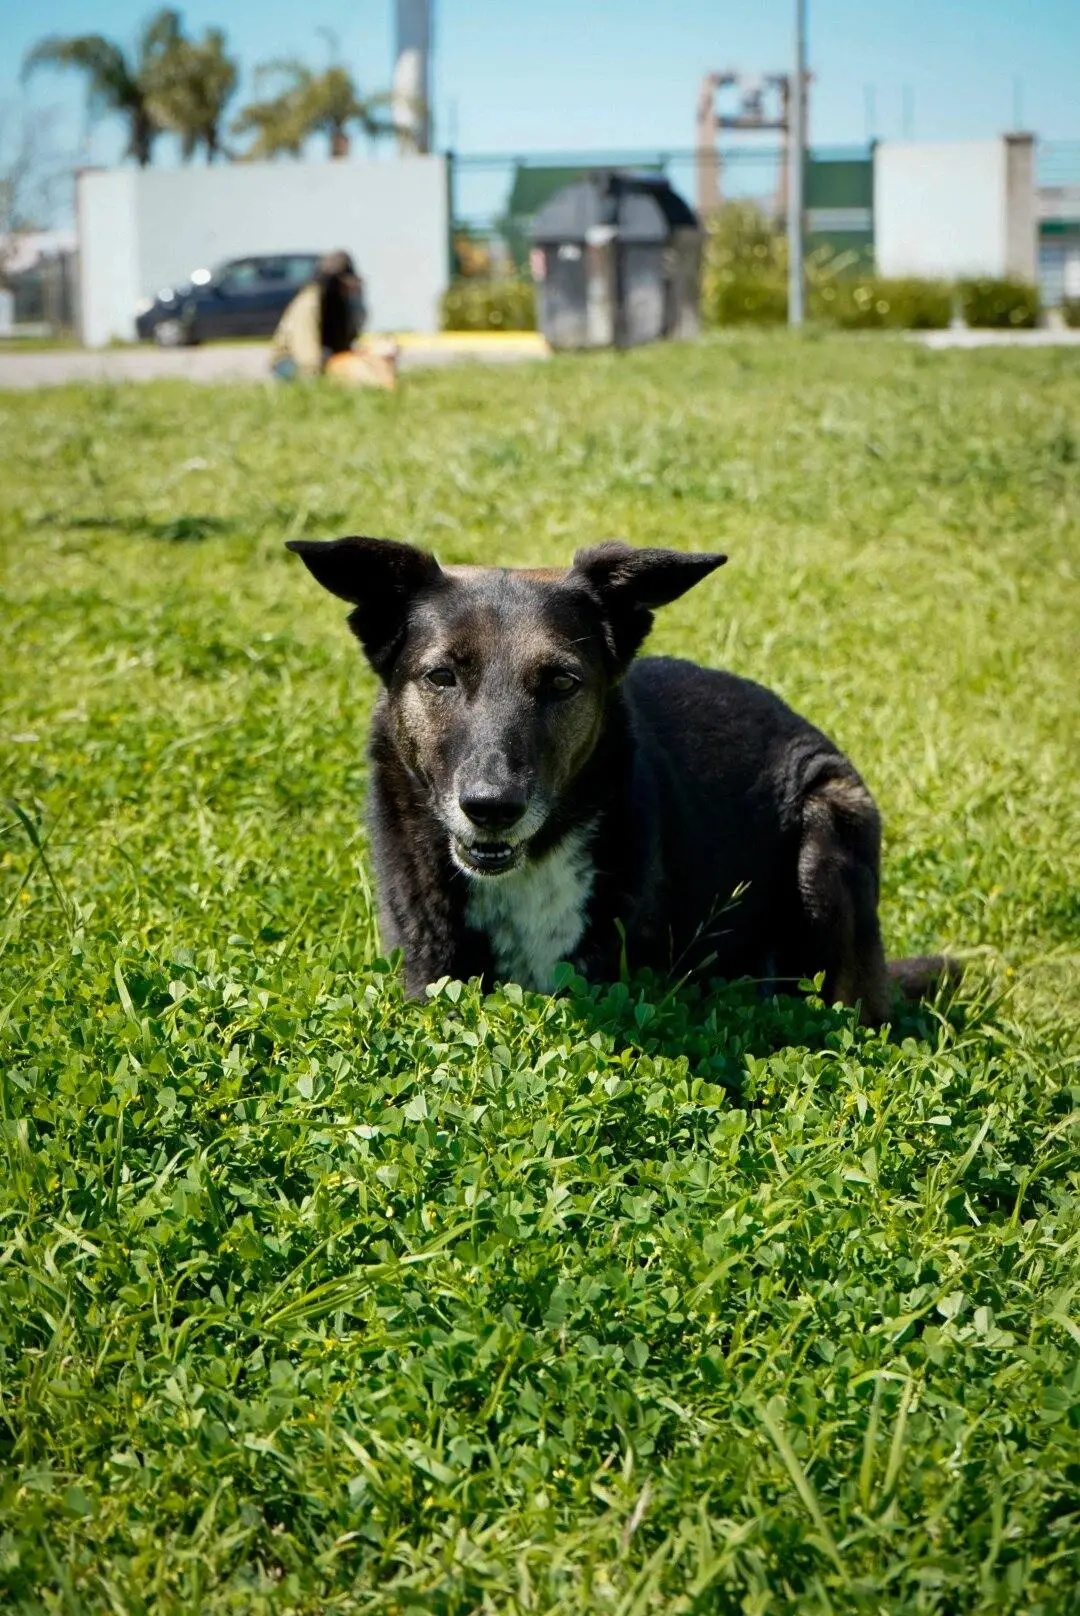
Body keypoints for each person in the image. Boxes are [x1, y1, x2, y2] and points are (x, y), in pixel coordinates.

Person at [270, 250, 397, 388]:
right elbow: (304, 344)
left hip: (324, 355)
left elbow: (353, 331)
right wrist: (313, 372)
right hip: (291, 359)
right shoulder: (310, 302)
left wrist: (357, 299)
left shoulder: (339, 302)